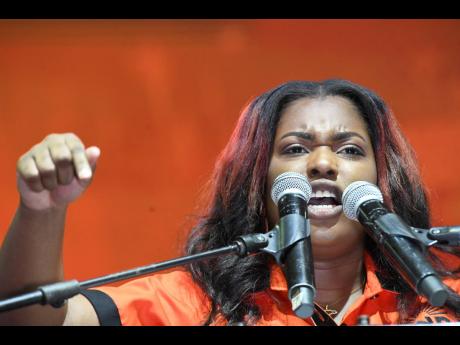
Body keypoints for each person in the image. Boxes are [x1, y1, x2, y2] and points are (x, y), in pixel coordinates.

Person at [0, 79, 459, 326]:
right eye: (296, 149)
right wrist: (42, 210)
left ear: (384, 178)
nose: (323, 163)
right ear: (257, 183)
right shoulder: (196, 305)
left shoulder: (442, 304)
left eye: (350, 150)